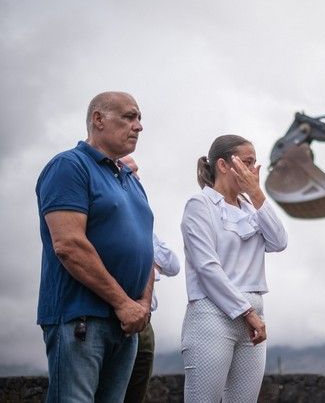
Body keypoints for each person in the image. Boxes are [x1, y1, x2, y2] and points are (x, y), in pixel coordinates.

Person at [35, 91, 154, 402]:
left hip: (125, 324)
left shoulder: (130, 179)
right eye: (129, 116)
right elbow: (69, 245)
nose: (138, 126)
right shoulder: (68, 166)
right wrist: (123, 303)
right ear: (98, 120)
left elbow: (145, 246)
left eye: (139, 118)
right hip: (81, 319)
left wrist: (141, 304)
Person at [180, 134, 288, 402]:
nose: (253, 170)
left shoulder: (252, 207)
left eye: (254, 163)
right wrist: (247, 313)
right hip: (212, 312)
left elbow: (279, 242)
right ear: (223, 165)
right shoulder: (199, 205)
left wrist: (257, 193)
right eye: (247, 162)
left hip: (254, 308)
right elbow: (207, 267)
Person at [120, 155, 181, 403]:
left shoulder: (145, 223)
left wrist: (148, 255)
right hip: (115, 315)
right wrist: (149, 261)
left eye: (136, 172)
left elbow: (174, 265)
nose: (136, 177)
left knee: (137, 393)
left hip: (145, 321)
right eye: (129, 172)